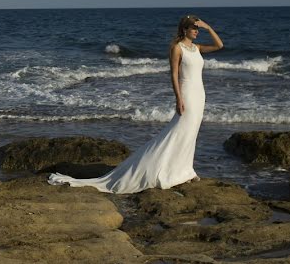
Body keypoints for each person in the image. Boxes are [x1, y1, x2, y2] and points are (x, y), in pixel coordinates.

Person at [48, 15, 223, 193]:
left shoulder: (197, 48)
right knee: (178, 131)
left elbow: (219, 46)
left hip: (199, 95)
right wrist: (178, 98)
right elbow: (173, 75)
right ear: (184, 29)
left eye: (197, 28)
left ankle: (184, 169)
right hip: (186, 95)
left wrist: (208, 27)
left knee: (190, 133)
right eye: (194, 28)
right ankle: (162, 169)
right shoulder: (177, 48)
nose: (196, 31)